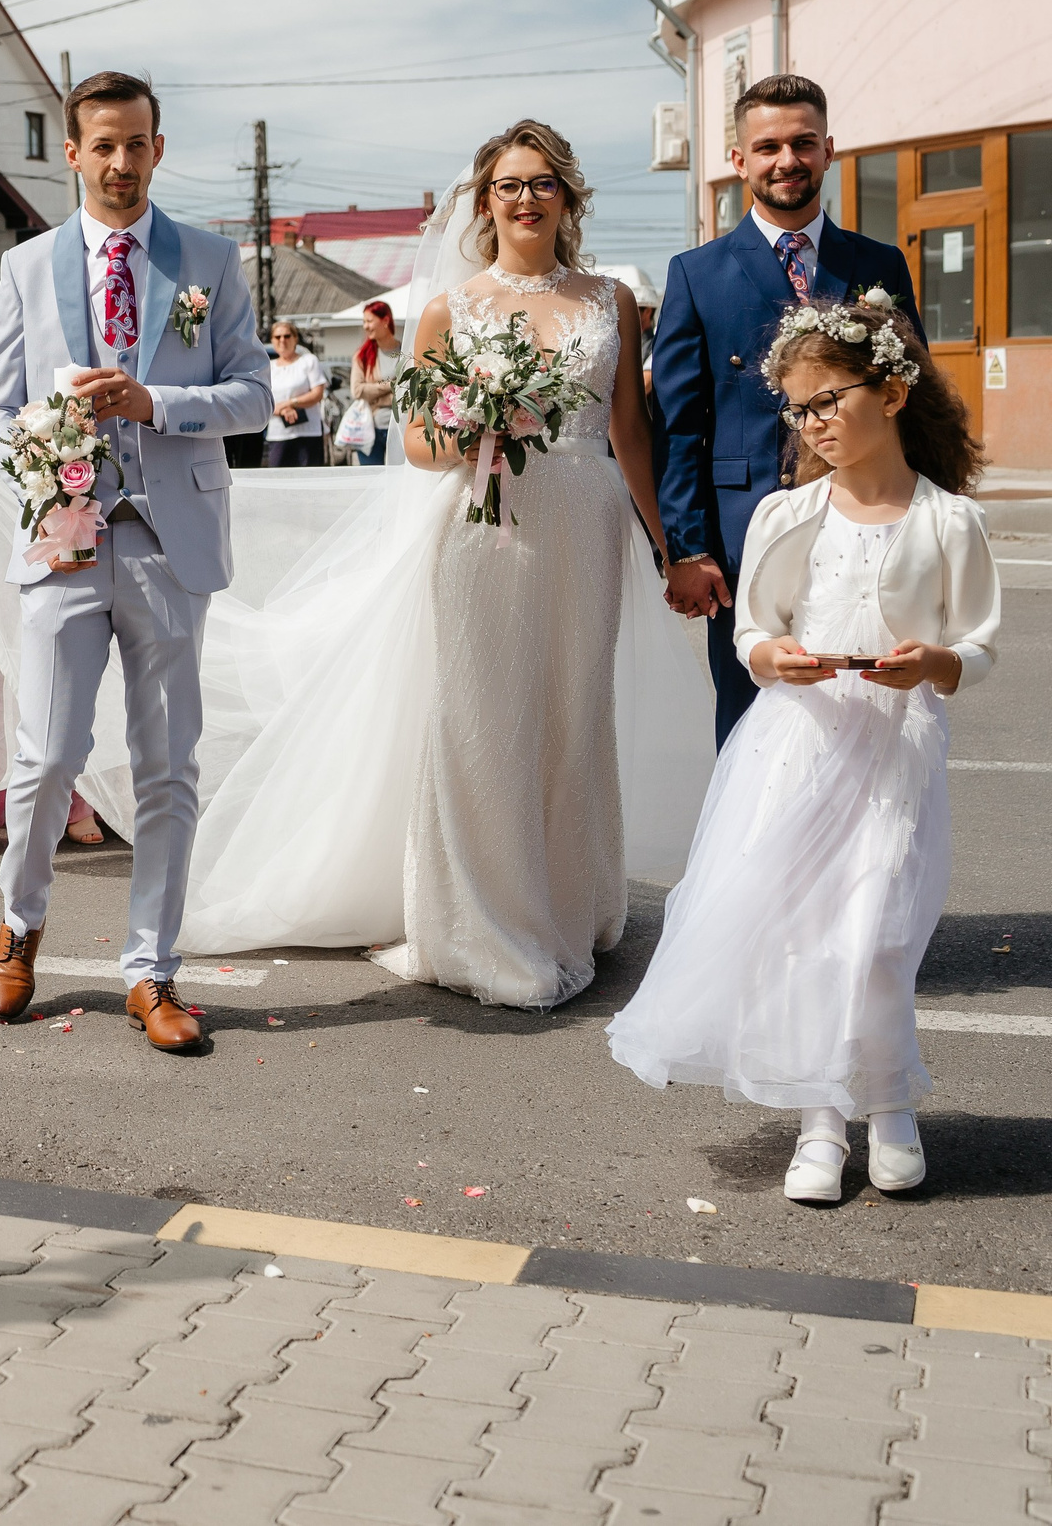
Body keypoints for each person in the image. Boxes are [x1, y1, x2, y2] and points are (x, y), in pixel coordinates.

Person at [169, 120, 697, 1011]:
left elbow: (630, 435)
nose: (524, 199)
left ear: (567, 196)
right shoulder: (453, 309)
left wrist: (671, 547)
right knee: (484, 721)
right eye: (507, 185)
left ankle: (567, 903)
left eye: (541, 183)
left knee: (573, 717)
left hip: (587, 526)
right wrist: (474, 428)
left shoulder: (612, 300)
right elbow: (416, 443)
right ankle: (486, 921)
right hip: (483, 530)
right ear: (484, 202)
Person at [609, 298, 997, 1203]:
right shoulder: (788, 514)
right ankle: (820, 1118)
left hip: (894, 749)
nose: (813, 422)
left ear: (893, 392)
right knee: (806, 938)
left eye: (830, 399)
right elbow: (756, 626)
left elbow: (977, 643)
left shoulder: (948, 522)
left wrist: (937, 662)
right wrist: (769, 656)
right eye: (798, 406)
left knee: (879, 936)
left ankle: (889, 1106)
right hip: (799, 745)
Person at [0, 70, 273, 1054]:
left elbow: (254, 397)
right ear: (71, 152)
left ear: (157, 146)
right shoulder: (25, 267)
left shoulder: (209, 261)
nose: (119, 161)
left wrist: (155, 403)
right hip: (62, 540)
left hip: (169, 540)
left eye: (135, 142)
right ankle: (19, 928)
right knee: (45, 758)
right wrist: (44, 434)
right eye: (101, 145)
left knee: (165, 769)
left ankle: (152, 970)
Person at [653, 73, 920, 746]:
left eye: (803, 143)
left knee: (865, 727)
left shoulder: (880, 263)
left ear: (829, 150)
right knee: (751, 734)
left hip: (869, 537)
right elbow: (681, 427)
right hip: (749, 548)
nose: (787, 160)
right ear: (739, 161)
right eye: (767, 146)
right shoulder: (697, 273)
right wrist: (687, 549)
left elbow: (914, 407)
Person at [261, 320, 327, 467]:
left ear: (295, 338)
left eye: (287, 336)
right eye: (278, 337)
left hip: (308, 433)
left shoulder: (308, 361)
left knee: (309, 481)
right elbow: (263, 400)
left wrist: (291, 403)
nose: (282, 340)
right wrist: (283, 410)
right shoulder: (268, 368)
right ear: (272, 340)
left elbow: (317, 394)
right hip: (279, 434)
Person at [346, 301, 399, 466]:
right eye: (364, 322)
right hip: (370, 429)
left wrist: (374, 392)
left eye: (369, 321)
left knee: (398, 479)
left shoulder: (406, 351)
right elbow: (357, 390)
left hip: (400, 428)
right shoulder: (362, 356)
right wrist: (391, 385)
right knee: (371, 479)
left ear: (385, 320)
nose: (366, 327)